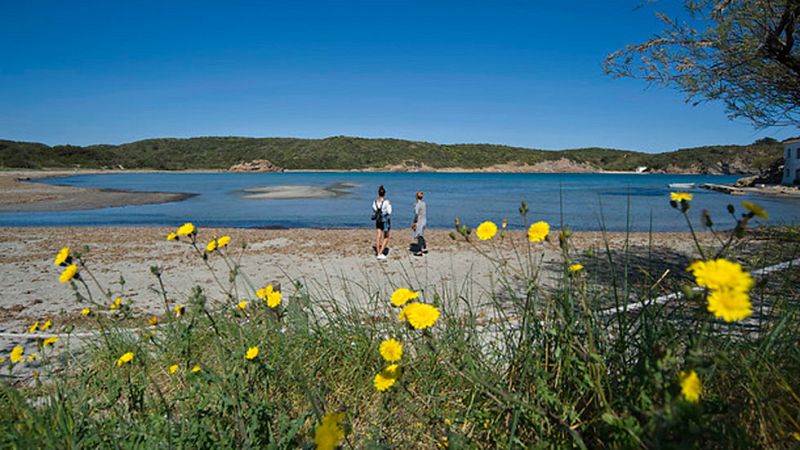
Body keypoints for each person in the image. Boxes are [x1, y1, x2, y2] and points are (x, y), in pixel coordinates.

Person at [372, 185, 392, 260]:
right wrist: (389, 205)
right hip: (385, 220)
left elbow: (374, 210)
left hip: (378, 219)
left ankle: (378, 252)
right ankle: (380, 253)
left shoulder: (375, 202)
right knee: (386, 237)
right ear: (384, 193)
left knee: (378, 236)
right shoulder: (386, 202)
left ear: (378, 193)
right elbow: (389, 212)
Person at [411, 191, 427, 256]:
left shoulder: (417, 205)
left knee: (419, 235)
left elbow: (416, 214)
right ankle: (424, 247)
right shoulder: (424, 203)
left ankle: (419, 251)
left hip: (419, 221)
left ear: (416, 197)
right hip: (424, 220)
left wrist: (414, 221)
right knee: (421, 234)